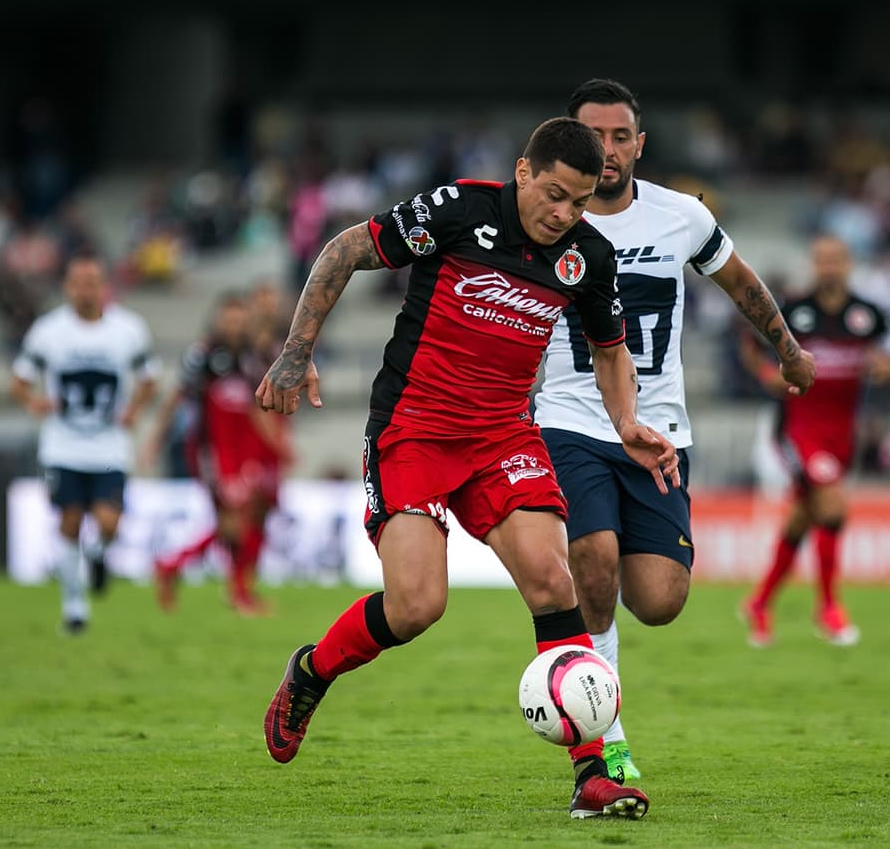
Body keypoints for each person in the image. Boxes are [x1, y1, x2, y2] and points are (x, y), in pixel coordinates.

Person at [257, 117, 680, 820]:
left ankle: (592, 774)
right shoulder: (457, 211)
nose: (563, 214)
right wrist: (296, 352)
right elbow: (344, 250)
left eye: (578, 202)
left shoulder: (587, 256)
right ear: (522, 172)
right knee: (417, 605)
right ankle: (312, 671)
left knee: (553, 578)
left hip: (502, 435)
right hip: (415, 429)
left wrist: (626, 420)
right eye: (552, 195)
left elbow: (611, 350)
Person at [533, 79, 816, 783]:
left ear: (639, 143)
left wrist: (785, 346)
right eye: (592, 135)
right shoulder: (541, 220)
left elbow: (741, 281)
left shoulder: (681, 216)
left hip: (660, 431)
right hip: (572, 420)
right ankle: (607, 732)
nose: (605, 150)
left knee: (659, 600)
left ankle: (593, 658)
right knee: (591, 557)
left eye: (619, 135)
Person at [740, 235, 890, 647]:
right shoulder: (794, 312)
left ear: (848, 264)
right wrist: (767, 376)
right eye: (821, 261)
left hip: (842, 434)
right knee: (832, 508)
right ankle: (829, 609)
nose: (829, 268)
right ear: (813, 266)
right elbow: (749, 344)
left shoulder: (869, 315)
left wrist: (889, 368)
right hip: (798, 429)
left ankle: (760, 603)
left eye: (836, 260)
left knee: (804, 516)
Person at [10, 252, 159, 633]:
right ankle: (75, 608)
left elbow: (149, 378)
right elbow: (19, 380)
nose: (86, 290)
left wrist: (135, 410)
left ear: (103, 286)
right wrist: (34, 402)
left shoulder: (127, 329)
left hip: (109, 446)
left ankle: (97, 555)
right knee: (70, 521)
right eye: (79, 282)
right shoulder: (48, 331)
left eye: (92, 282)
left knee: (109, 522)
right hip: (63, 446)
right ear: (67, 287)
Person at [146, 292, 291, 615]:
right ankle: (184, 570)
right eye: (230, 320)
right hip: (209, 449)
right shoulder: (204, 354)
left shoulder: (250, 357)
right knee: (234, 523)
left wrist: (275, 444)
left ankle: (205, 578)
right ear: (218, 320)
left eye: (241, 320)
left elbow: (256, 407)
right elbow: (177, 396)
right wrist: (155, 437)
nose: (235, 326)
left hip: (240, 448)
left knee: (244, 519)